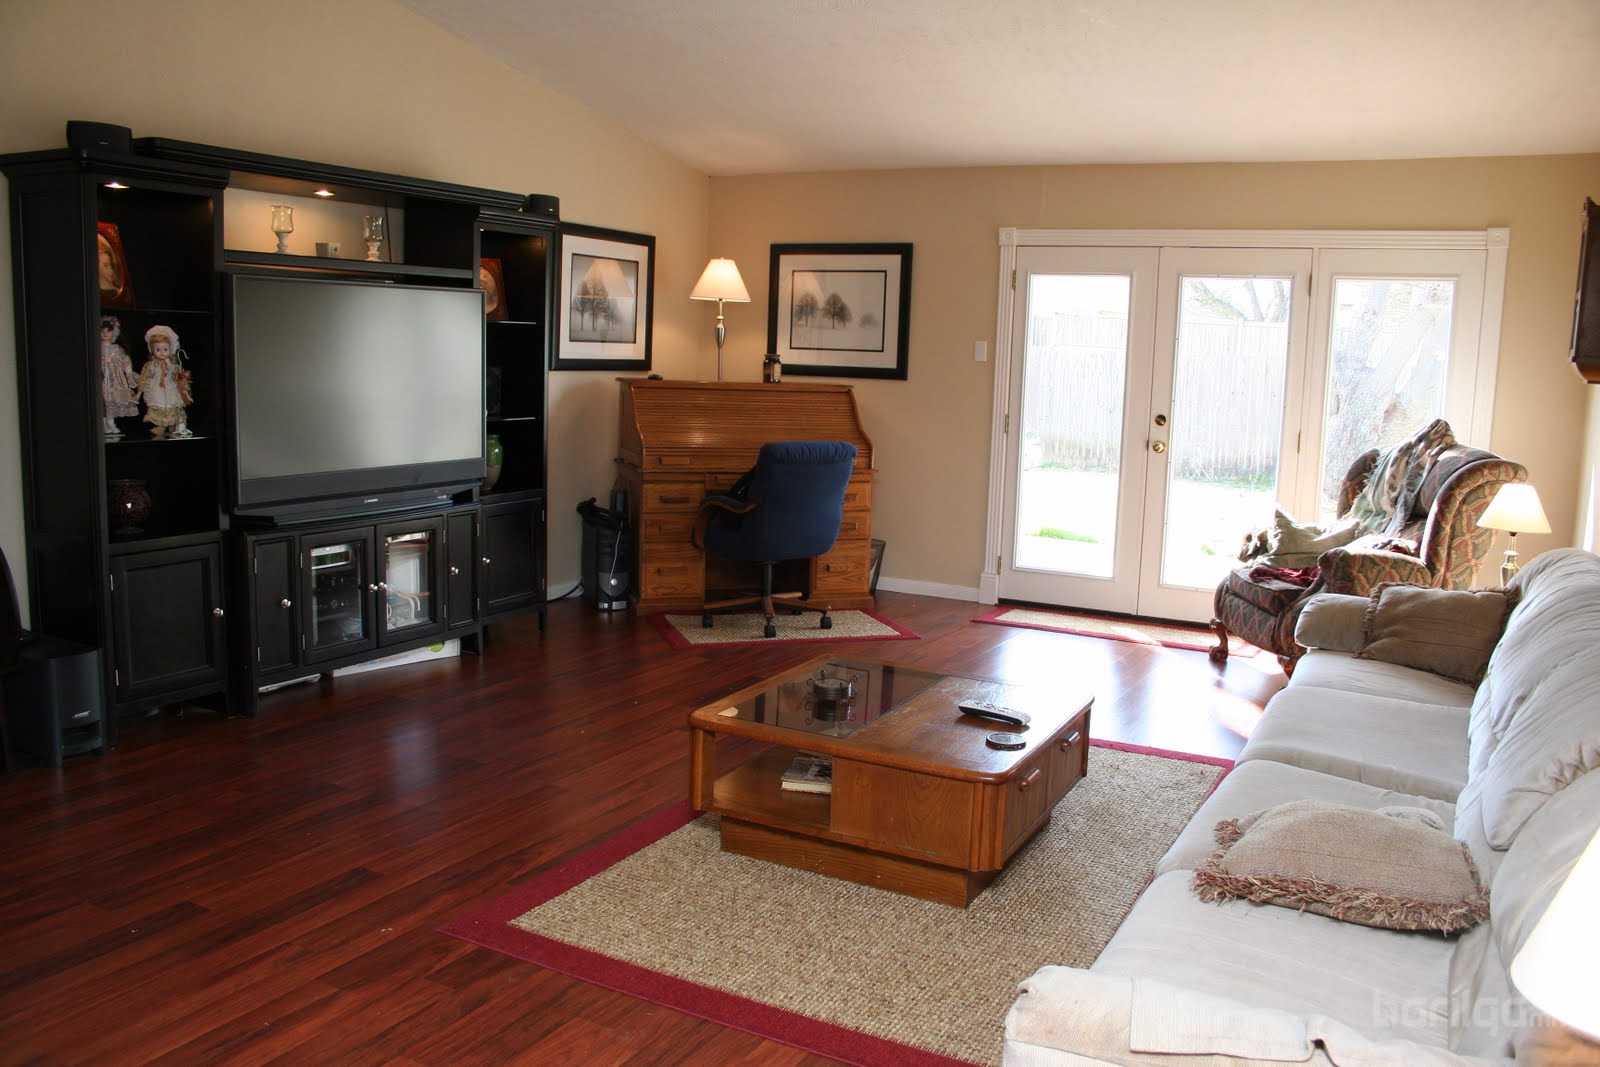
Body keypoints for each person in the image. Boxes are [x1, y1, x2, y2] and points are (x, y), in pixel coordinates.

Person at [139, 324, 193, 439]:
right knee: (160, 405)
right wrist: (140, 390)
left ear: (170, 349)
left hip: (170, 388)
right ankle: (161, 426)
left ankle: (173, 425)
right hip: (157, 390)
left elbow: (178, 377)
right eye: (158, 350)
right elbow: (145, 377)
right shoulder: (151, 365)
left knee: (172, 405)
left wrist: (182, 380)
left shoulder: (173, 365)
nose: (162, 353)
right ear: (152, 350)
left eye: (165, 349)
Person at [99, 315, 139, 438]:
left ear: (114, 332)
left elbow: (125, 362)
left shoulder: (116, 349)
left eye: (108, 331)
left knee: (112, 400)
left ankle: (111, 423)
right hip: (101, 378)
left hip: (114, 380)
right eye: (102, 331)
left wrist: (129, 373)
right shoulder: (96, 348)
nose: (105, 333)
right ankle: (104, 424)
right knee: (102, 401)